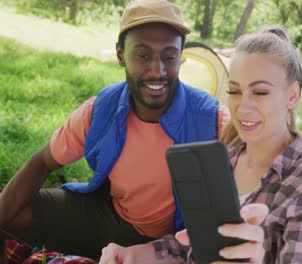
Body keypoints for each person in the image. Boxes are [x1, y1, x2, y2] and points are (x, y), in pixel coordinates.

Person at [0, 0, 229, 260]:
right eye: (143, 55)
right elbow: (42, 162)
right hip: (108, 215)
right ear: (121, 54)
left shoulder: (213, 120)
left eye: (169, 56)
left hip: (168, 245)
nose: (158, 70)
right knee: (10, 209)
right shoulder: (101, 109)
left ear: (181, 57)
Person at [99, 26, 302, 264]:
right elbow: (191, 245)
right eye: (234, 91)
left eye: (260, 92)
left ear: (292, 96)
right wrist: (131, 255)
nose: (242, 107)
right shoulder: (225, 156)